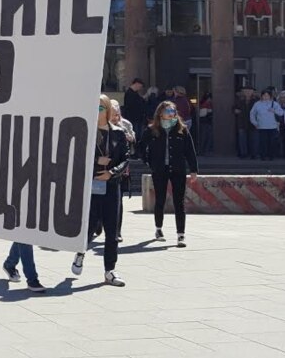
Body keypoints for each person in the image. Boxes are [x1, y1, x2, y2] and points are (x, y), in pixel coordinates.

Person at [72, 95, 128, 287]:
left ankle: (109, 270)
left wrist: (111, 172)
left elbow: (125, 159)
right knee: (89, 227)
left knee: (112, 231)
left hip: (111, 186)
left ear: (107, 110)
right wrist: (97, 162)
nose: (97, 112)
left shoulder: (119, 133)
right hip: (92, 186)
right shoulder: (86, 132)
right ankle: (80, 253)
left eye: (100, 108)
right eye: (94, 108)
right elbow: (77, 156)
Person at [139, 101, 199, 247]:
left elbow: (190, 150)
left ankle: (181, 234)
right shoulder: (152, 129)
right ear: (160, 113)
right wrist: (148, 162)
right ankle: (158, 229)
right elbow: (141, 147)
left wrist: (193, 169)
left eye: (172, 111)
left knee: (179, 202)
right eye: (167, 111)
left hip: (177, 169)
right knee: (160, 199)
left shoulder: (182, 129)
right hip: (159, 169)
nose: (170, 113)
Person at [110, 99, 136, 243]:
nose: (115, 116)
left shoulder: (125, 124)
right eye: (112, 112)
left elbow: (133, 143)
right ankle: (98, 223)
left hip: (120, 168)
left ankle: (117, 231)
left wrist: (128, 137)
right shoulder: (100, 124)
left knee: (118, 200)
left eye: (117, 112)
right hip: (102, 168)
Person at [250, 90, 279, 161]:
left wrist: (274, 111)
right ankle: (263, 156)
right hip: (261, 126)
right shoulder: (257, 104)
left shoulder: (274, 104)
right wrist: (255, 123)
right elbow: (252, 114)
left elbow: (281, 112)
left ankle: (271, 156)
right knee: (263, 142)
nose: (266, 97)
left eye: (267, 95)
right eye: (264, 95)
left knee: (271, 142)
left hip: (272, 126)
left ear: (270, 96)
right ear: (261, 96)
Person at [235, 87, 257, 159]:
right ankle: (243, 153)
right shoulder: (239, 100)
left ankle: (253, 154)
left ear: (252, 92)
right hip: (242, 122)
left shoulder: (256, 101)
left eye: (249, 91)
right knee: (242, 139)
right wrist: (235, 110)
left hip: (253, 123)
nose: (247, 93)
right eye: (246, 91)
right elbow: (233, 108)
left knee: (253, 139)